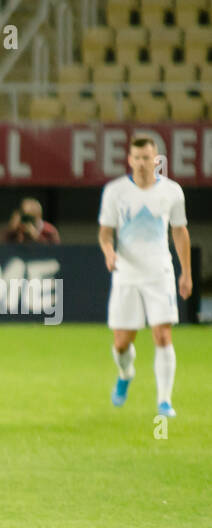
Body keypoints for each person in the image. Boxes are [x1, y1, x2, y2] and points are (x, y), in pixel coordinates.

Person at [99, 135, 191, 417]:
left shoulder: (171, 191)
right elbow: (105, 232)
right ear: (129, 160)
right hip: (126, 273)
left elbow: (179, 231)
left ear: (156, 160)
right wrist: (109, 252)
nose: (141, 163)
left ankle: (164, 401)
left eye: (146, 158)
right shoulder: (115, 191)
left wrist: (186, 272)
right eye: (136, 158)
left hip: (159, 272)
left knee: (162, 335)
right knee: (121, 343)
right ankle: (126, 373)